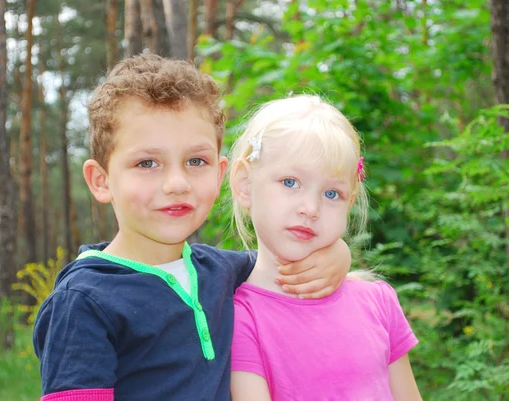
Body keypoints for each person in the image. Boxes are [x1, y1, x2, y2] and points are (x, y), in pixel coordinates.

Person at [32, 55, 353, 401]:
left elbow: (278, 259)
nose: (177, 183)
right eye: (147, 163)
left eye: (196, 161)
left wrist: (338, 252)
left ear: (219, 173)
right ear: (101, 180)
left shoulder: (221, 270)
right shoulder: (83, 301)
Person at [229, 95, 423, 401]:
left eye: (332, 193)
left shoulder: (379, 303)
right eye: (290, 182)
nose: (311, 208)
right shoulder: (240, 317)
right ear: (244, 184)